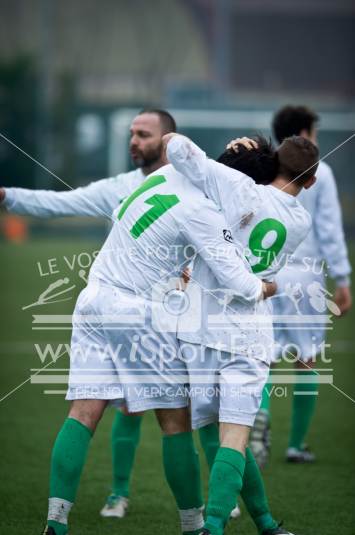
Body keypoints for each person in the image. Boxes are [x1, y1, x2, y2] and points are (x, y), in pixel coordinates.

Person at [39, 138, 277, 534]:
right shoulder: (204, 211)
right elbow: (238, 283)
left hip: (94, 295)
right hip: (135, 309)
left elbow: (138, 219)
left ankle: (56, 523)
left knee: (83, 413)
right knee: (177, 419)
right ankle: (194, 525)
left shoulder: (169, 171)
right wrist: (271, 286)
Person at [165, 132, 319, 535]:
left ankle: (260, 523)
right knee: (236, 434)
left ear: (270, 164)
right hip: (248, 330)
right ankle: (220, 527)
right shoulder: (301, 220)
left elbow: (176, 148)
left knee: (221, 433)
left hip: (200, 327)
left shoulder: (236, 185)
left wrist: (233, 151)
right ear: (311, 182)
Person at [250, 105, 352, 465]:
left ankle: (257, 424)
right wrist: (342, 277)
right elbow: (329, 228)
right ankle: (296, 444)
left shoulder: (263, 168)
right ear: (306, 134)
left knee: (263, 359)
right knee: (306, 359)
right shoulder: (319, 171)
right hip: (305, 277)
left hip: (266, 276)